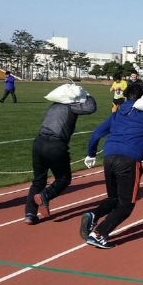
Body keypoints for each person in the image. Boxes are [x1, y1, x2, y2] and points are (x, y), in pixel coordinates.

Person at [80, 84, 143, 249]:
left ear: (125, 96)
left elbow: (97, 133)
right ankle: (98, 234)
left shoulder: (118, 113)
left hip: (109, 157)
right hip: (128, 160)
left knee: (113, 199)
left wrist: (91, 154)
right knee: (126, 206)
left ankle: (93, 214)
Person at [25, 87, 97, 224]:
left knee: (38, 180)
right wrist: (87, 94)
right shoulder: (71, 106)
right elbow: (91, 108)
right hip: (56, 145)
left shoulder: (52, 107)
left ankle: (30, 214)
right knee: (63, 178)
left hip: (38, 143)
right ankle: (45, 195)